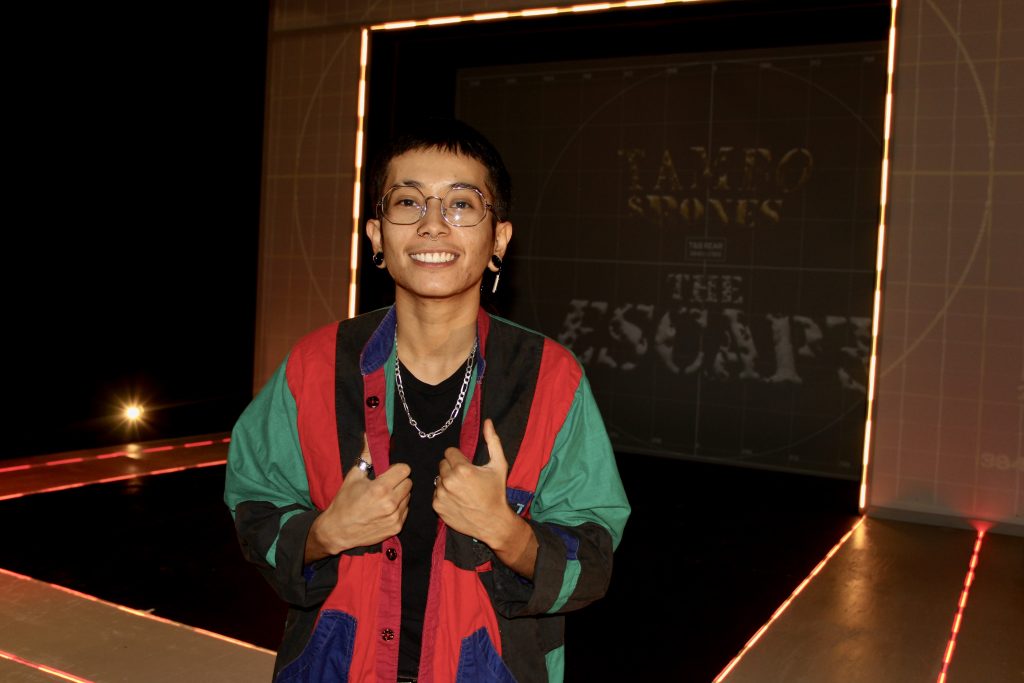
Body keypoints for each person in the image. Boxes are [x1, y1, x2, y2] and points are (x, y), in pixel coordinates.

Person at [224, 118, 630, 682]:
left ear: (499, 240)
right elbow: (255, 506)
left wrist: (504, 531)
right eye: (408, 202)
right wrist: (324, 534)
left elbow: (593, 563)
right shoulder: (314, 365)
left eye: (462, 205)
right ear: (375, 236)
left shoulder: (549, 377)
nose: (433, 225)